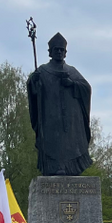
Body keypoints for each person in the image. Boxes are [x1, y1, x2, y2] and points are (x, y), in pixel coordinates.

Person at [27, 32, 93, 176]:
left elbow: (86, 88)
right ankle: (56, 167)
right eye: (56, 49)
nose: (59, 52)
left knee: (72, 144)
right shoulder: (42, 71)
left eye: (61, 50)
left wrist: (71, 84)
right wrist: (34, 82)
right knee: (53, 145)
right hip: (51, 118)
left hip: (71, 121)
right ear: (50, 52)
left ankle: (71, 167)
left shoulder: (72, 71)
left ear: (65, 52)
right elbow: (33, 93)